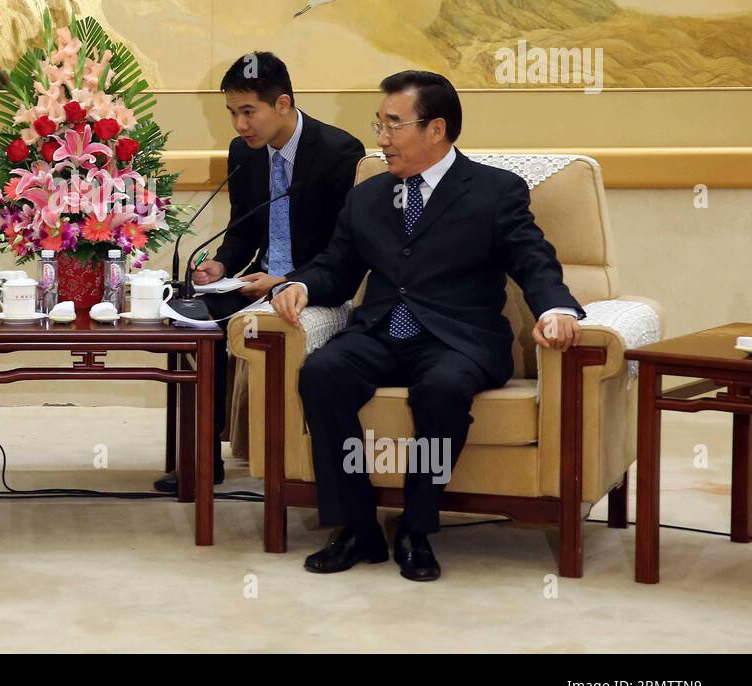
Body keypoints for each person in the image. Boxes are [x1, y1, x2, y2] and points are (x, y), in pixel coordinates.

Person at [271, 70, 584, 581]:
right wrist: (302, 286)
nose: (381, 138)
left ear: (435, 129)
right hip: (381, 333)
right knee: (322, 373)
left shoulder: (494, 191)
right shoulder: (367, 196)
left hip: (456, 340)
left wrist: (556, 308)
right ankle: (356, 526)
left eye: (393, 125)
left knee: (440, 389)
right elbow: (337, 267)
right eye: (380, 124)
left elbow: (533, 261)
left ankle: (417, 527)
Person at [152, 51, 364, 493]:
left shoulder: (338, 152)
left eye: (248, 112)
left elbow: (343, 249)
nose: (239, 125)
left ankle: (273, 462)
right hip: (256, 282)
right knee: (192, 316)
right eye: (232, 113)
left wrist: (286, 281)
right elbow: (242, 229)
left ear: (282, 104)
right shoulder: (243, 153)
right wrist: (222, 264)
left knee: (255, 324)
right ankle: (203, 460)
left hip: (315, 285)